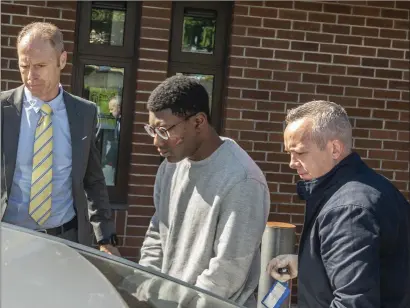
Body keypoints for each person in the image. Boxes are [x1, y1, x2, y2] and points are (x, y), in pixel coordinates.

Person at [138, 75, 270, 307]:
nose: (157, 143)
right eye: (152, 130)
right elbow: (157, 234)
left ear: (199, 122)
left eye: (164, 132)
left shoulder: (242, 179)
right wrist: (146, 288)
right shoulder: (171, 167)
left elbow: (227, 271)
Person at [267, 100, 410, 307]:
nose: (291, 162)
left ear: (334, 149)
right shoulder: (368, 187)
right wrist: (307, 264)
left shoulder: (347, 210)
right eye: (289, 153)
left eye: (299, 152)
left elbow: (353, 302)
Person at [0, 22, 119, 256]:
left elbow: (93, 180)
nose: (30, 75)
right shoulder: (3, 109)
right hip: (8, 240)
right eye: (24, 66)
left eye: (40, 66)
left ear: (62, 61)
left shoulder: (84, 113)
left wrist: (107, 238)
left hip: (65, 242)